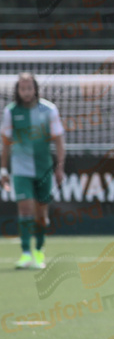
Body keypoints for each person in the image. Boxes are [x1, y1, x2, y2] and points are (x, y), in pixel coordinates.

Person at [1, 73, 65, 270]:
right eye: (23, 88)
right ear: (18, 91)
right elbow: (6, 143)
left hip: (44, 168)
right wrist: (3, 168)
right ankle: (25, 252)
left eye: (29, 88)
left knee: (40, 214)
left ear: (35, 89)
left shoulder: (48, 110)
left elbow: (59, 140)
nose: (26, 92)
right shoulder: (11, 111)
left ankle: (39, 250)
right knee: (25, 208)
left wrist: (60, 167)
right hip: (20, 169)